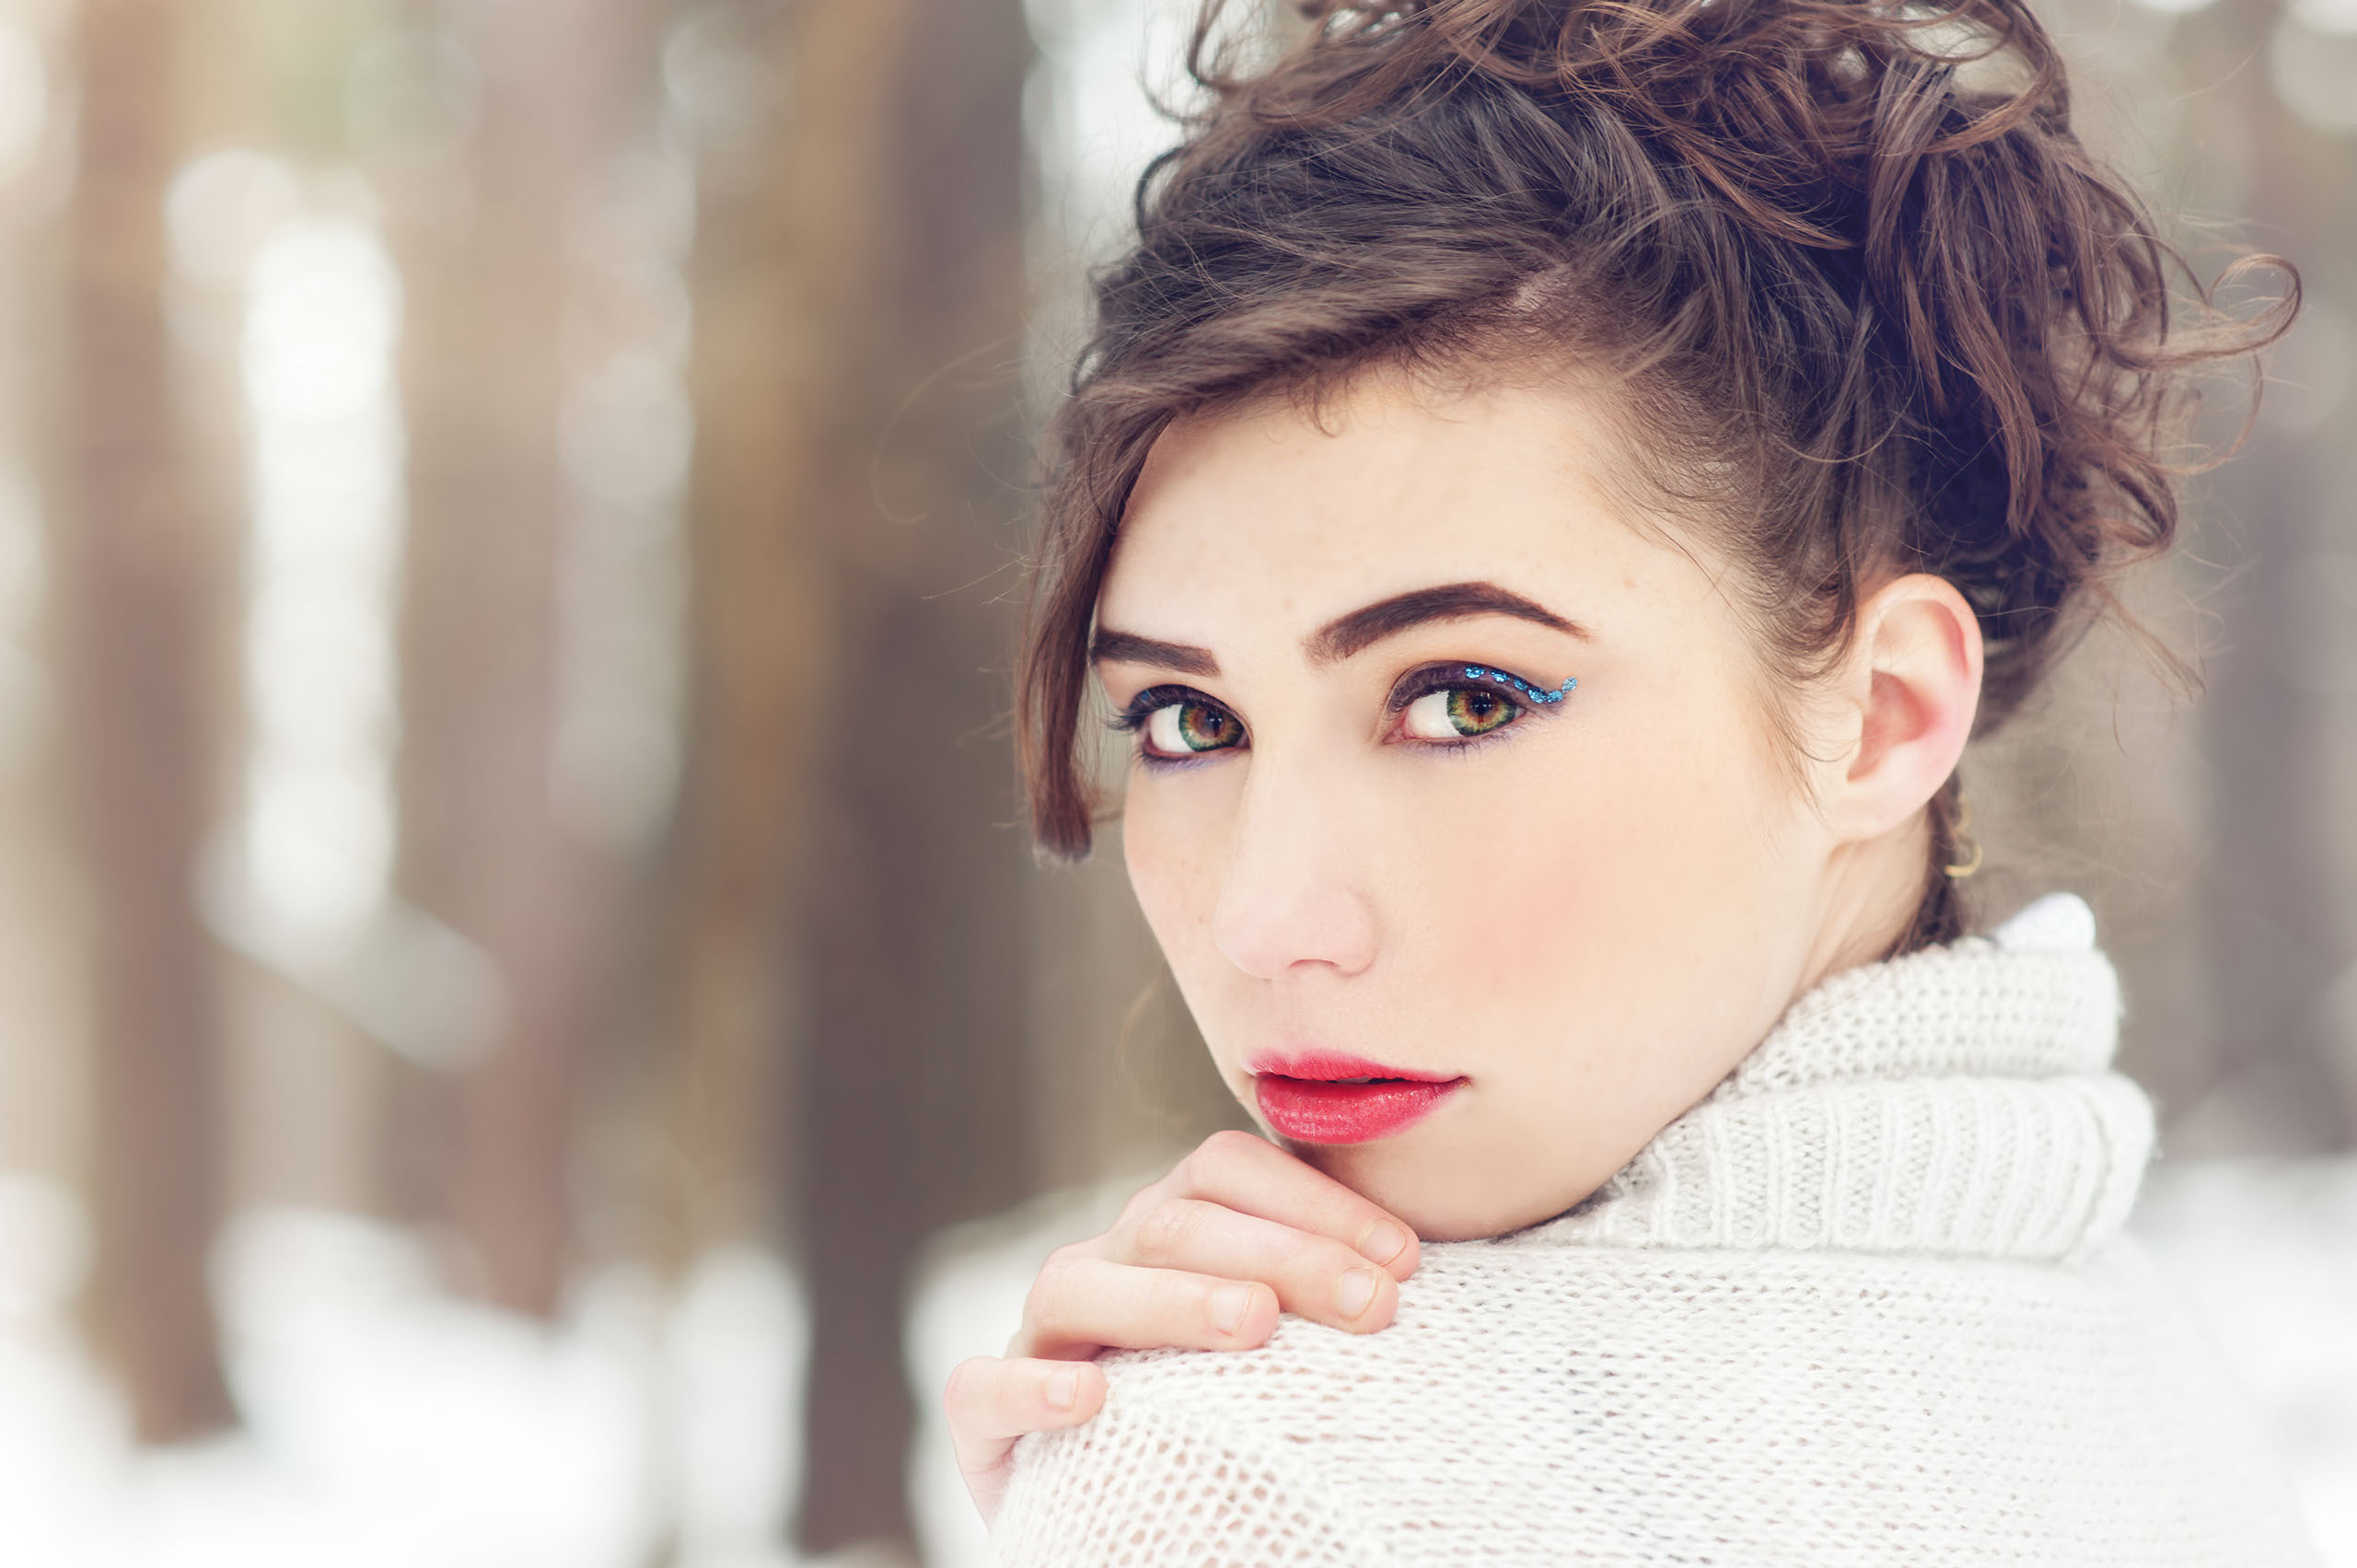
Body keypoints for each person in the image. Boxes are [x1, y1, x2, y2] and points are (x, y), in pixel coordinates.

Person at [947, 0, 2313, 1560]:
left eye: (1459, 698)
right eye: (1190, 721)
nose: (1268, 919)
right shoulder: (2149, 1392)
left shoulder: (1260, 1470)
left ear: (1880, 714)